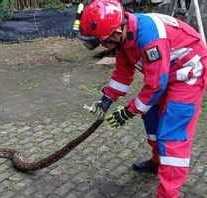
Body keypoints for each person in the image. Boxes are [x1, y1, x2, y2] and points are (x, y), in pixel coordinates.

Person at [79, 0, 207, 197]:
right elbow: (123, 73)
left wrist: (129, 110)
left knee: (172, 135)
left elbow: (156, 85)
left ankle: (168, 194)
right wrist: (106, 100)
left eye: (103, 41)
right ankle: (157, 161)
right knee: (150, 117)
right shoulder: (125, 38)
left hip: (187, 75)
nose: (103, 46)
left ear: (116, 32)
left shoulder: (149, 38)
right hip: (165, 73)